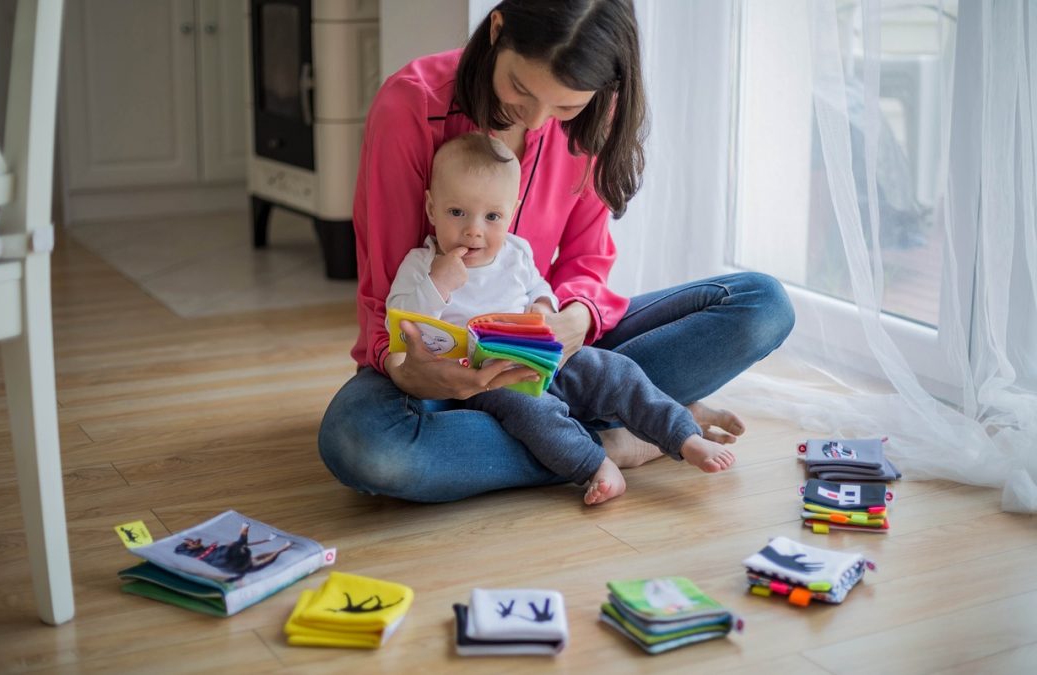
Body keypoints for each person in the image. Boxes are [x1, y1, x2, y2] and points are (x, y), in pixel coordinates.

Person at [318, 0, 795, 503]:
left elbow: (587, 261)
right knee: (364, 446)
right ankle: (617, 437)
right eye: (522, 88)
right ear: (497, 30)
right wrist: (404, 368)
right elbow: (386, 290)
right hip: (443, 376)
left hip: (552, 356)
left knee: (762, 304)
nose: (539, 117)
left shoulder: (596, 115)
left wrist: (572, 319)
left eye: (566, 106)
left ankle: (586, 430)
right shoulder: (410, 106)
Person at [388, 132, 736, 505]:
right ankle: (594, 463)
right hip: (487, 380)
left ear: (512, 211)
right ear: (431, 208)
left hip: (540, 356)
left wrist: (543, 307)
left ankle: (684, 435)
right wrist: (438, 284)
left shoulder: (516, 252)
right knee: (534, 412)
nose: (474, 229)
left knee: (614, 370)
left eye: (492, 216)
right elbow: (402, 323)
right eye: (457, 213)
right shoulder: (421, 264)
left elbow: (540, 285)